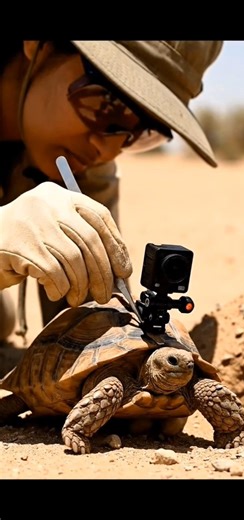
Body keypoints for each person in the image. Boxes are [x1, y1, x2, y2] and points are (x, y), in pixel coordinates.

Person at [0, 40, 223, 342]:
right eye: (107, 105)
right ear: (40, 46)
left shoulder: (82, 165)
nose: (107, 149)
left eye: (142, 130)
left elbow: (90, 316)